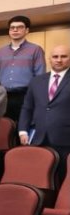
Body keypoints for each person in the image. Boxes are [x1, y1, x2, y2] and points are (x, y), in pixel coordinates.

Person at [18, 45, 70, 184]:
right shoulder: (36, 81)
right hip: (38, 138)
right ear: (49, 59)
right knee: (38, 178)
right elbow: (27, 107)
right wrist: (23, 131)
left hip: (65, 139)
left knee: (63, 180)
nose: (59, 60)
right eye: (55, 56)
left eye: (64, 56)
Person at [0, 15, 46, 121]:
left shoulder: (35, 50)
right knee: (4, 126)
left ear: (27, 30)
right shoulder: (0, 52)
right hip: (2, 96)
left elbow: (40, 75)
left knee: (23, 126)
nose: (15, 30)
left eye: (19, 27)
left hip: (26, 95)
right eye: (12, 27)